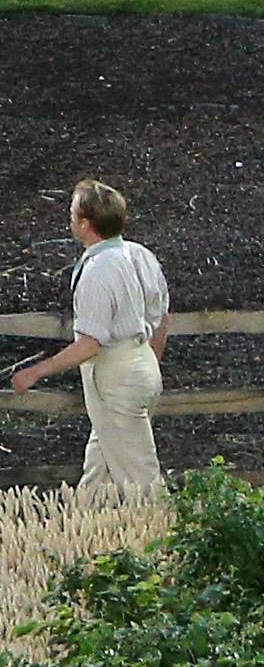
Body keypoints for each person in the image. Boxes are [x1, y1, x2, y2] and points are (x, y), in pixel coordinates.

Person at [9, 180, 167, 494]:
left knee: (140, 478)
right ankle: (88, 522)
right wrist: (149, 365)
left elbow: (90, 343)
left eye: (72, 213)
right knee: (101, 464)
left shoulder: (98, 270)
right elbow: (162, 316)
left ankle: (162, 535)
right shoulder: (139, 255)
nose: (69, 219)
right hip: (141, 364)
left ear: (84, 222)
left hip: (115, 375)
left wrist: (35, 371)